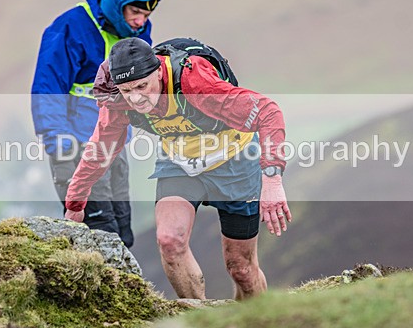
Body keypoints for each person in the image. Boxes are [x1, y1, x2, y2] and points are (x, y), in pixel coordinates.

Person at [64, 38, 292, 300]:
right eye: (128, 90)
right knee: (169, 241)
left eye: (142, 86)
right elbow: (99, 150)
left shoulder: (193, 80)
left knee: (241, 268)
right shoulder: (118, 101)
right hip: (180, 165)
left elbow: (268, 111)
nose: (137, 98)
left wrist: (272, 179)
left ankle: (253, 324)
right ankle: (199, 319)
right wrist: (75, 202)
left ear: (159, 72)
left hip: (235, 162)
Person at [31, 0, 162, 248]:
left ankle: (124, 292)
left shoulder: (138, 33)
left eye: (147, 13)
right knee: (97, 231)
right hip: (74, 144)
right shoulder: (69, 27)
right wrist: (59, 145)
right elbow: (47, 88)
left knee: (123, 231)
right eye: (136, 12)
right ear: (117, 2)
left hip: (114, 143)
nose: (141, 21)